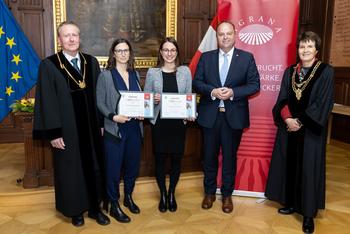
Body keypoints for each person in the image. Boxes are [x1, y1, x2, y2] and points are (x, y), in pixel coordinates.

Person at [32, 21, 110, 227]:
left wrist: (101, 122)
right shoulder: (49, 65)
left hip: (92, 129)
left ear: (80, 38)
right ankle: (75, 210)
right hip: (67, 131)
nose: (71, 39)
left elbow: (98, 97)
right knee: (71, 170)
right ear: (59, 40)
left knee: (94, 167)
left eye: (75, 35)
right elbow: (46, 101)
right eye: (66, 36)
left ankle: (95, 208)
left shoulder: (90, 62)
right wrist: (54, 133)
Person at [265, 31, 334, 234]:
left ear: (316, 50)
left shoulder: (325, 71)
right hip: (290, 128)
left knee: (308, 169)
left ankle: (308, 214)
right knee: (290, 164)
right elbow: (282, 99)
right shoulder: (290, 72)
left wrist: (300, 121)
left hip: (310, 130)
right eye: (302, 46)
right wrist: (287, 119)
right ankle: (292, 203)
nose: (305, 50)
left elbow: (323, 102)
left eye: (309, 46)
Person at [193, 21, 260, 213]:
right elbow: (197, 83)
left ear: (235, 34)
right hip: (209, 116)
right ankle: (209, 192)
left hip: (234, 117)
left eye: (228, 33)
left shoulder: (246, 58)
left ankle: (227, 195)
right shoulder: (206, 58)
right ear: (217, 37)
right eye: (221, 34)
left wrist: (232, 92)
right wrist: (212, 91)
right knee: (209, 157)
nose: (225, 37)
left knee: (230, 158)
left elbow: (255, 85)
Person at [96, 38, 143, 223]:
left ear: (130, 53)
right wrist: (113, 116)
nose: (123, 53)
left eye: (126, 50)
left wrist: (142, 112)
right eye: (119, 50)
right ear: (113, 53)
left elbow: (139, 100)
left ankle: (128, 197)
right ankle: (113, 204)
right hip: (115, 130)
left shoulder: (135, 75)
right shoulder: (105, 76)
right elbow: (99, 102)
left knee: (132, 167)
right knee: (113, 170)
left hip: (134, 129)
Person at [144, 37, 192, 212]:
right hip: (160, 124)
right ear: (161, 53)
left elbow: (188, 97)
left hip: (178, 124)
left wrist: (190, 112)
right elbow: (146, 101)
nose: (169, 53)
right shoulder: (152, 73)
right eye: (166, 50)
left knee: (176, 160)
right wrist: (153, 99)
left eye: (172, 50)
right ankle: (162, 194)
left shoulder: (185, 72)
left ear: (177, 52)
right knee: (160, 161)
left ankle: (172, 193)